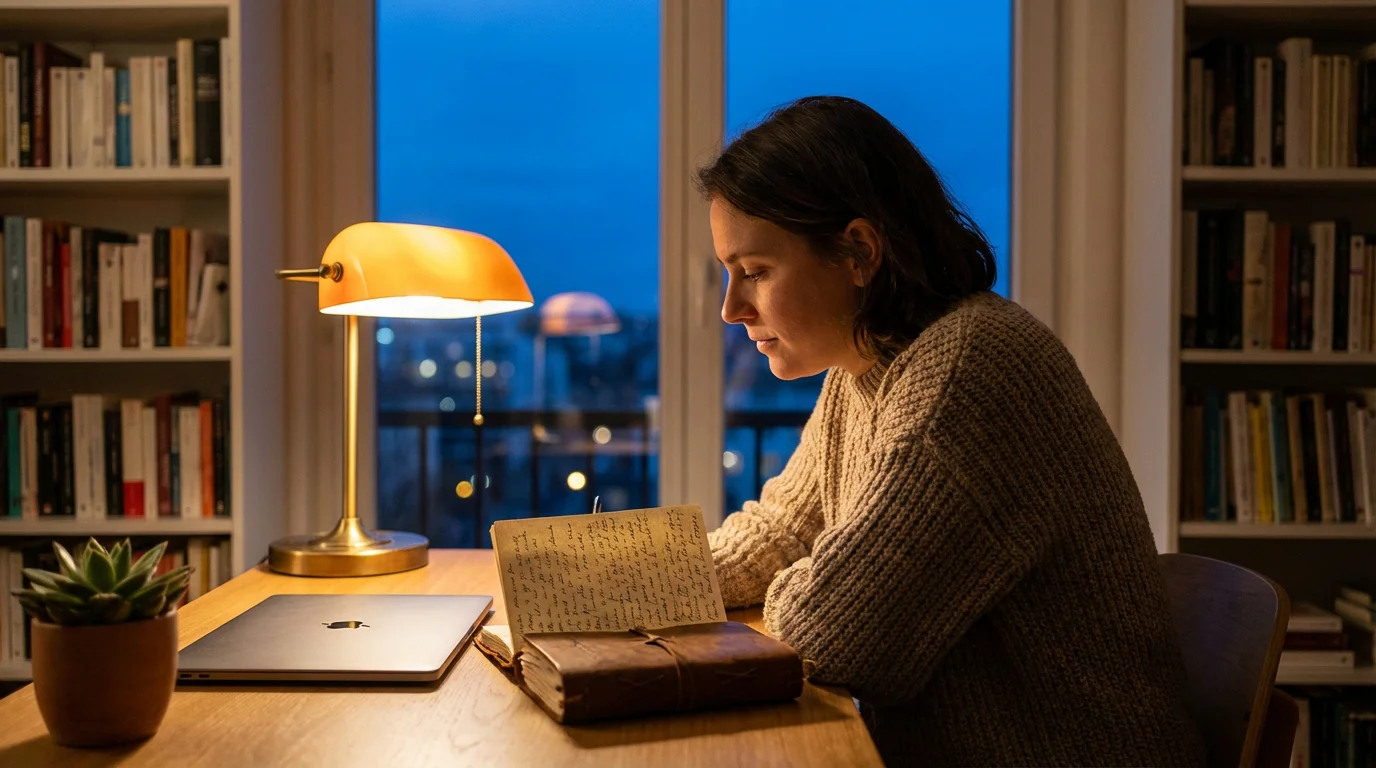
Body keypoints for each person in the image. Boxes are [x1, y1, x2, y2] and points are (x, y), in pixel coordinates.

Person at [698, 95, 1206, 767]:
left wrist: (813, 576)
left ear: (858, 251)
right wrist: (611, 582)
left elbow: (836, 634)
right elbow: (781, 536)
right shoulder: (866, 368)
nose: (732, 309)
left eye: (755, 272)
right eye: (728, 275)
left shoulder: (972, 371)